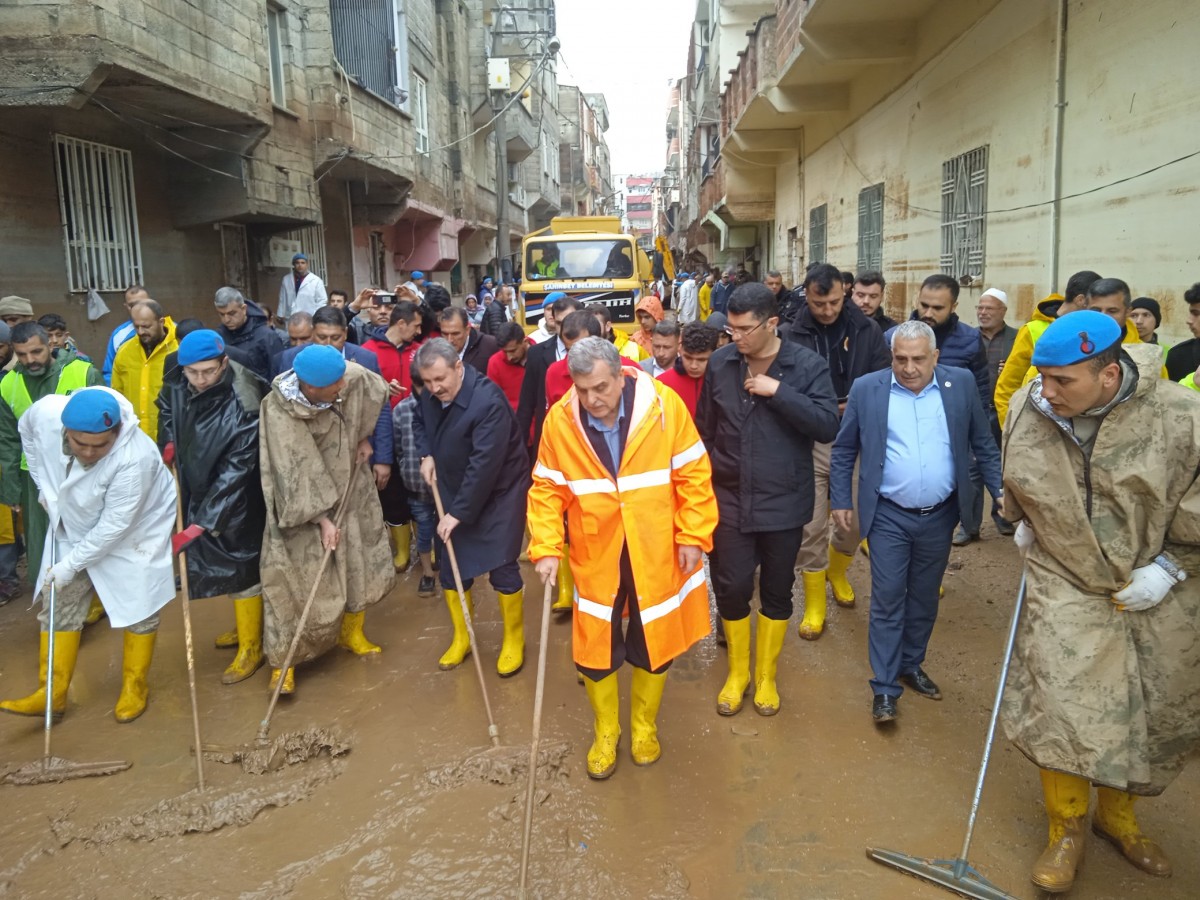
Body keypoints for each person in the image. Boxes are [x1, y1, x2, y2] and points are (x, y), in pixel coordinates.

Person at [1000, 310, 1200, 892]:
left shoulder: (1181, 416)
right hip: (1065, 574)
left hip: (1154, 583)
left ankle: (1120, 820)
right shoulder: (1030, 407)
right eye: (1043, 376)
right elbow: (1017, 471)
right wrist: (1021, 518)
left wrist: (1169, 568)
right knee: (1063, 702)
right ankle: (1067, 828)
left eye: (1064, 381)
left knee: (1147, 704)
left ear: (1109, 374)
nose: (1048, 391)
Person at [528, 337, 717, 777]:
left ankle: (643, 726)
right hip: (597, 549)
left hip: (655, 544)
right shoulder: (561, 421)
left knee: (656, 639)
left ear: (621, 374)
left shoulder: (664, 407)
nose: (591, 399)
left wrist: (693, 534)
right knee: (596, 645)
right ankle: (606, 731)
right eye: (581, 390)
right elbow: (546, 489)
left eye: (600, 388)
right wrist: (546, 546)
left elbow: (694, 473)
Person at [831, 321, 1002, 724]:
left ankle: (910, 663)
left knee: (924, 598)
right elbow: (843, 450)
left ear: (936, 357)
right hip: (889, 513)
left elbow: (983, 443)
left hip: (941, 515)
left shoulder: (958, 385)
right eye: (900, 358)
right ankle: (886, 688)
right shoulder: (868, 389)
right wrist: (841, 498)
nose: (908, 368)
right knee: (889, 598)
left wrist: (999, 490)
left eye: (918, 359)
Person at [697, 283, 840, 718]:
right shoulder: (721, 364)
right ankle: (737, 673)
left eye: (743, 329)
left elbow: (825, 425)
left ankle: (766, 677)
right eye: (731, 329)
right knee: (733, 587)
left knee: (777, 592)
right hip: (729, 500)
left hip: (784, 500)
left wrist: (779, 392)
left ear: (771, 323)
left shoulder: (806, 365)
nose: (734, 337)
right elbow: (705, 428)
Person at [0, 388, 175, 722]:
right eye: (82, 445)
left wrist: (71, 564)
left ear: (117, 433)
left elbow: (115, 525)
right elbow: (28, 436)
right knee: (59, 598)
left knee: (138, 603)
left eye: (101, 446)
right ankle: (51, 692)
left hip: (137, 529)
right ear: (65, 431)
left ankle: (134, 686)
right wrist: (44, 488)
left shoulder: (135, 458)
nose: (91, 453)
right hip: (76, 516)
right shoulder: (47, 413)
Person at [257, 345, 394, 695]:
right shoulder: (279, 411)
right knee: (295, 581)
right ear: (309, 387)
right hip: (302, 508)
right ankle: (284, 663)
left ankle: (352, 633)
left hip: (350, 482)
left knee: (356, 561)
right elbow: (294, 469)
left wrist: (363, 435)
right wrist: (321, 520)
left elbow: (369, 387)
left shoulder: (344, 377)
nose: (341, 389)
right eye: (334, 387)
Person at [413, 339, 530, 676]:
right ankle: (462, 636)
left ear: (458, 368)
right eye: (429, 382)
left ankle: (514, 639)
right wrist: (427, 454)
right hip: (451, 486)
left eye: (441, 380)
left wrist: (458, 513)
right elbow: (421, 423)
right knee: (451, 567)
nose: (435, 388)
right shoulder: (431, 393)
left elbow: (484, 466)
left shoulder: (487, 403)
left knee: (502, 565)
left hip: (498, 494)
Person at [157, 330, 267, 685]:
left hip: (239, 498)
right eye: (193, 372)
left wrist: (201, 523)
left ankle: (253, 646)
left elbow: (238, 469)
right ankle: (243, 625)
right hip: (194, 480)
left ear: (224, 362)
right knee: (224, 566)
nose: (201, 380)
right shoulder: (176, 376)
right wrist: (169, 439)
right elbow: (166, 406)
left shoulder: (245, 399)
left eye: (209, 371)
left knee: (242, 563)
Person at [786, 263, 890, 634]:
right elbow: (786, 388)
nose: (827, 310)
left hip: (857, 438)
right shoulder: (791, 334)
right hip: (809, 439)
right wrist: (824, 406)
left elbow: (882, 381)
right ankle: (814, 605)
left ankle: (838, 571)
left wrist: (851, 405)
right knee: (810, 525)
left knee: (856, 520)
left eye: (833, 302)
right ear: (807, 296)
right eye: (818, 303)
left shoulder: (868, 331)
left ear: (844, 293)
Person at [885, 275, 993, 546]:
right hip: (907, 426)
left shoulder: (969, 339)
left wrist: (974, 424)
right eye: (924, 305)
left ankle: (967, 523)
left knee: (968, 472)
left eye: (938, 308)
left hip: (954, 425)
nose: (928, 313)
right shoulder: (893, 338)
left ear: (954, 306)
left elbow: (980, 385)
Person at [0, 322, 102, 586]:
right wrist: (11, 488)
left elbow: (108, 423)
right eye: (22, 355)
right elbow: (8, 440)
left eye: (36, 352)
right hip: (33, 476)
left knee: (86, 533)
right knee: (39, 540)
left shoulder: (83, 373)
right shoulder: (7, 384)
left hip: (81, 469)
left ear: (50, 345)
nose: (30, 360)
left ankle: (93, 594)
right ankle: (48, 596)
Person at [995, 270, 1101, 425]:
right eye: (1095, 306)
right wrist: (1012, 430)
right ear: (1081, 300)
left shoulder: (1090, 334)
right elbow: (1007, 386)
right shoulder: (1033, 329)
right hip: (1035, 425)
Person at [966, 287, 1018, 539]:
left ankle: (1004, 515)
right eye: (980, 308)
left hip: (1005, 413)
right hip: (976, 412)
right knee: (973, 468)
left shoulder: (1017, 339)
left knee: (1006, 465)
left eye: (989, 308)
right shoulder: (969, 338)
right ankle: (969, 526)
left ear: (1003, 311)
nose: (983, 313)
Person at [518, 294, 586, 456]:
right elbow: (527, 403)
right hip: (549, 438)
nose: (565, 328)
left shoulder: (594, 350)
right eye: (560, 323)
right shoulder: (536, 353)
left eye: (570, 321)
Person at [394, 363, 438, 597]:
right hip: (415, 485)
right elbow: (399, 447)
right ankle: (428, 573)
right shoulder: (401, 410)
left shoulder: (443, 407)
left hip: (443, 487)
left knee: (446, 530)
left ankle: (451, 568)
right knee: (424, 531)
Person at [111, 299, 178, 442]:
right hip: (134, 438)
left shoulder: (178, 349)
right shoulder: (125, 352)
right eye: (136, 326)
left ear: (161, 322)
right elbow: (117, 395)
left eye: (146, 326)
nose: (141, 331)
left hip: (171, 438)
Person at [214, 286, 285, 383]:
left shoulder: (268, 337)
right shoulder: (218, 338)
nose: (226, 319)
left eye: (232, 313)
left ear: (243, 309)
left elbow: (280, 376)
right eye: (221, 314)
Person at [363, 300, 424, 407]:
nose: (419, 332)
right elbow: (362, 391)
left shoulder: (420, 351)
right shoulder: (367, 352)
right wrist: (384, 391)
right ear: (401, 324)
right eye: (416, 326)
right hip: (382, 418)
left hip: (416, 417)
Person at [657, 322, 720, 418]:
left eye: (701, 360)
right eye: (688, 358)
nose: (693, 366)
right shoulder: (661, 384)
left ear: (715, 354)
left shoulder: (723, 381)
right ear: (680, 349)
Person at [545, 310, 603, 409]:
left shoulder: (625, 368)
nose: (575, 356)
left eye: (581, 350)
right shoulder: (554, 373)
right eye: (568, 350)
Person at [437, 306, 498, 377]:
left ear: (467, 330)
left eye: (455, 334)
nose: (449, 340)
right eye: (445, 334)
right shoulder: (435, 352)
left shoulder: (490, 346)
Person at [487, 321, 531, 411]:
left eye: (512, 351)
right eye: (505, 351)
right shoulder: (495, 363)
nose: (509, 357)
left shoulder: (540, 356)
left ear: (525, 342)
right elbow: (493, 399)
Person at [278, 252, 328, 321]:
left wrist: (316, 316)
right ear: (293, 264)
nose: (300, 265)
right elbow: (282, 298)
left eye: (303, 263)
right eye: (297, 263)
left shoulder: (316, 280)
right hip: (291, 315)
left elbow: (322, 300)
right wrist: (280, 314)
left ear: (307, 265)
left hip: (309, 317)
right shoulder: (286, 279)